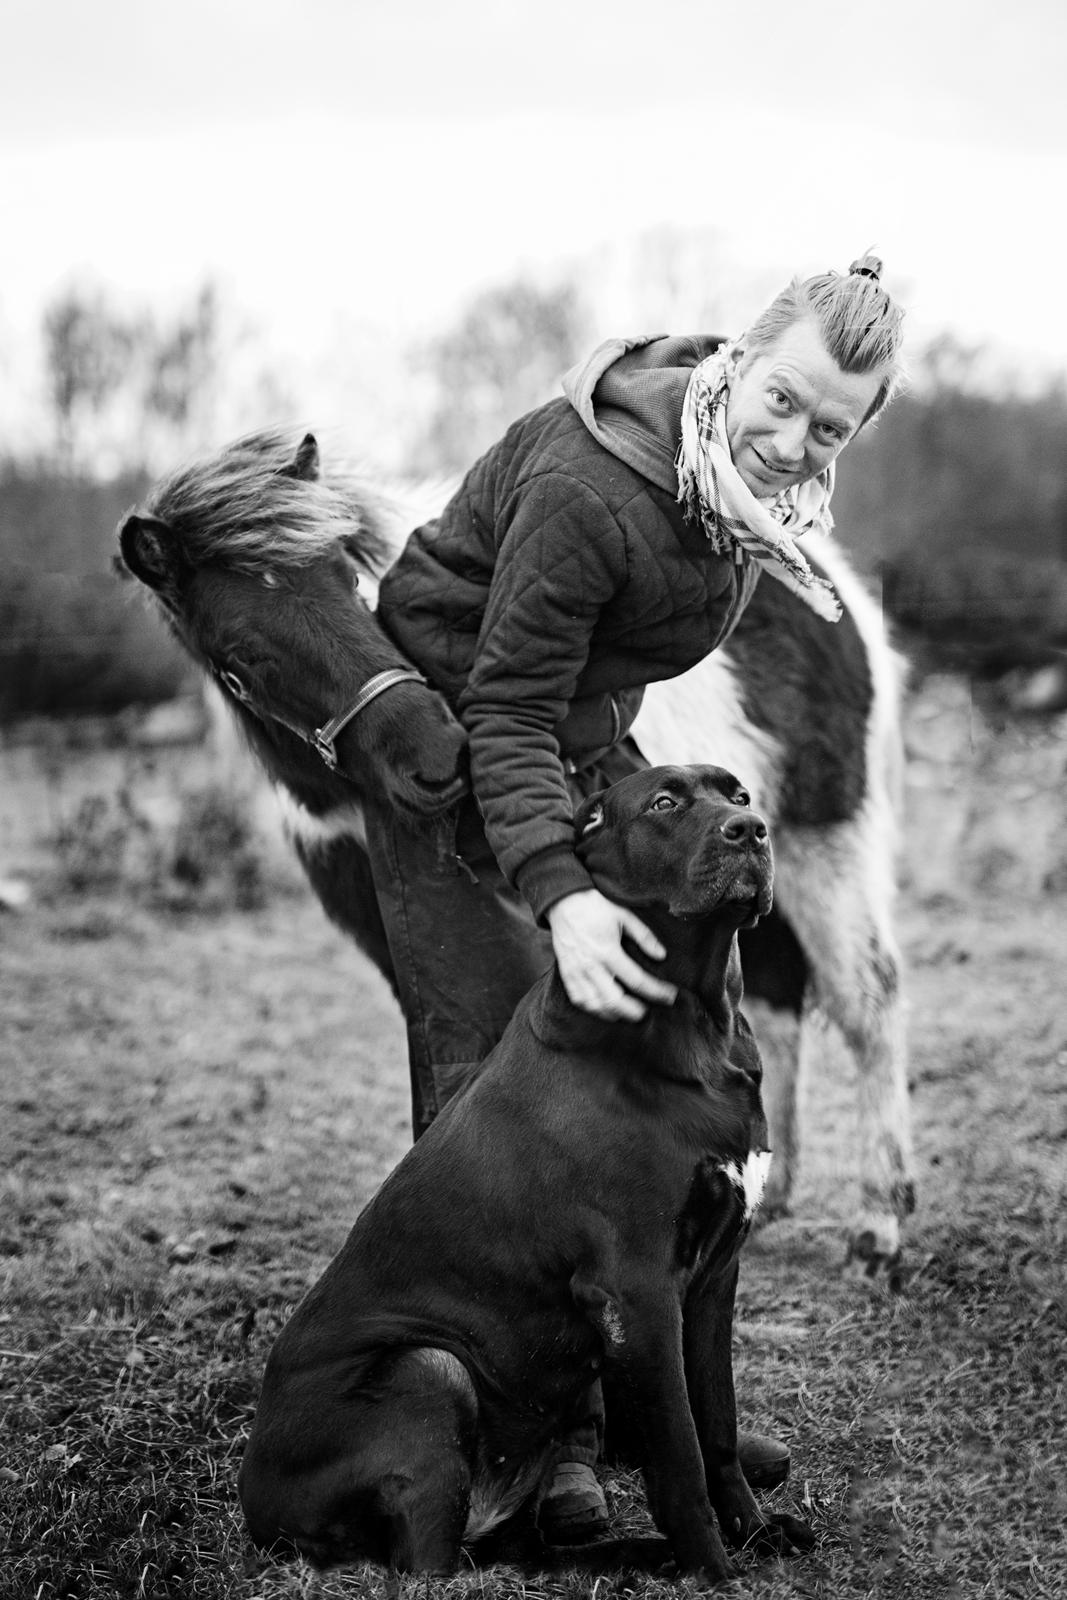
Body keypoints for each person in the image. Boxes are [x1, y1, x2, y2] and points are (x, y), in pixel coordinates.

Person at [365, 254, 907, 1541]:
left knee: (655, 1025)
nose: (792, 442)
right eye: (779, 403)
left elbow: (589, 678)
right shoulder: (585, 493)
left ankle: (662, 1409)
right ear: (735, 362)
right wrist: (556, 887)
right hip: (458, 723)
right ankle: (543, 1438)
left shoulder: (742, 499)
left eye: (829, 427)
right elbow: (503, 702)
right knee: (531, 1037)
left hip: (571, 726)